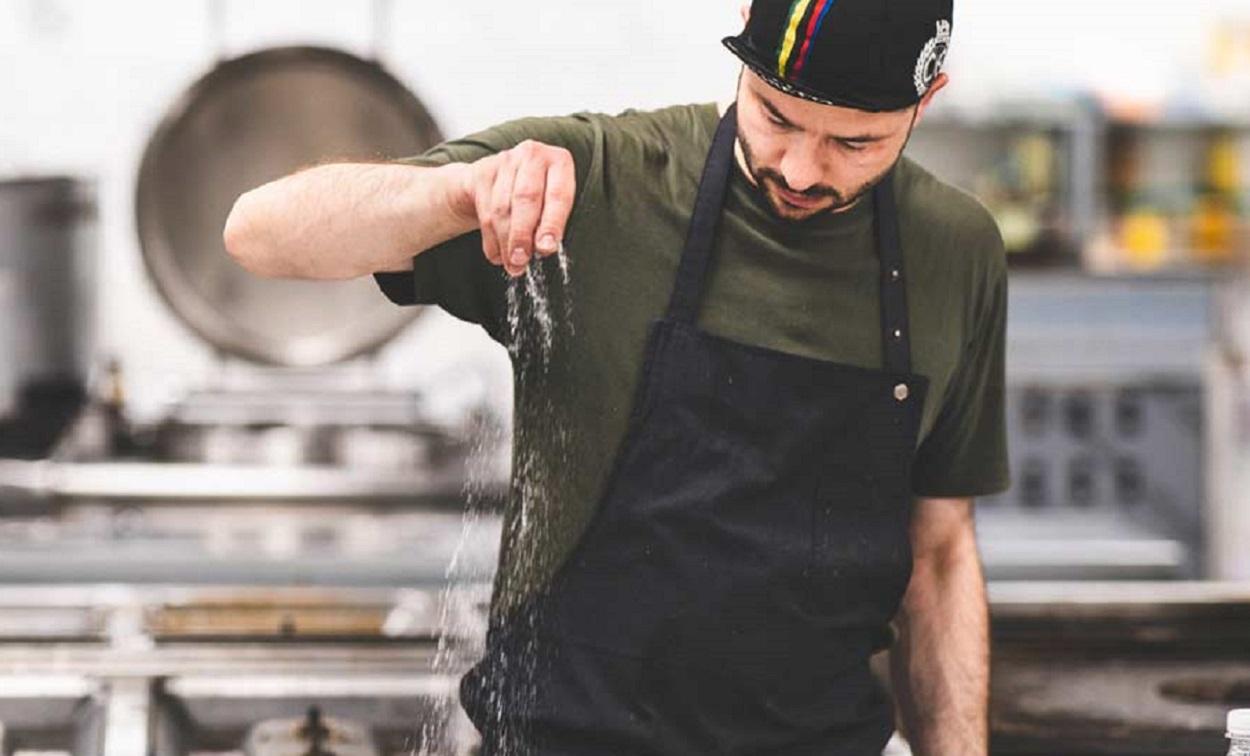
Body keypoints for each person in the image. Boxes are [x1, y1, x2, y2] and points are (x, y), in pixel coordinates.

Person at [224, 0, 1009, 753]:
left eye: (856, 142)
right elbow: (261, 235)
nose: (801, 169)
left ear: (928, 98)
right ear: (742, 29)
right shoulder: (602, 184)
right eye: (775, 115)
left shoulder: (956, 251)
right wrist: (457, 192)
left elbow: (939, 553)